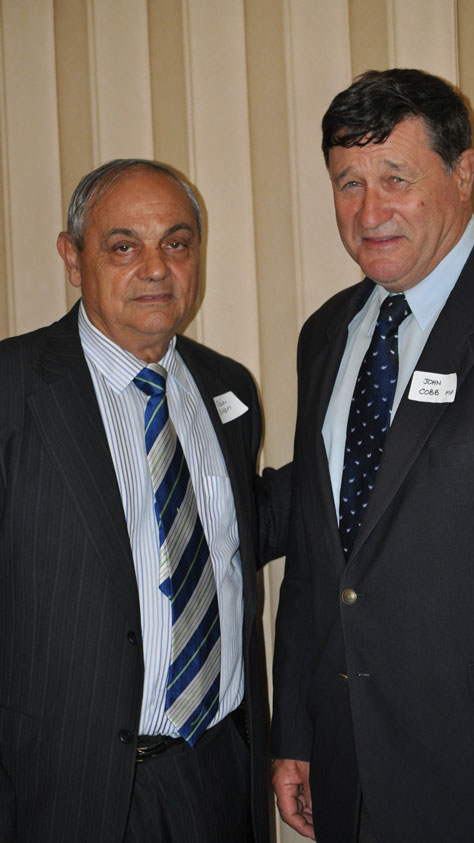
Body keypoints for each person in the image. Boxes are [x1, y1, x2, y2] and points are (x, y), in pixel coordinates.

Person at [271, 68, 474, 843]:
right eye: (348, 183)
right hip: (348, 769)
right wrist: (296, 728)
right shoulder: (327, 334)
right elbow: (316, 559)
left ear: (464, 173)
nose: (369, 213)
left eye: (395, 178)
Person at [0, 158, 289, 842]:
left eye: (176, 243)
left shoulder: (227, 388)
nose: (156, 268)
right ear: (73, 257)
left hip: (221, 771)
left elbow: (231, 532)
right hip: (66, 791)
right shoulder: (12, 390)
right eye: (124, 246)